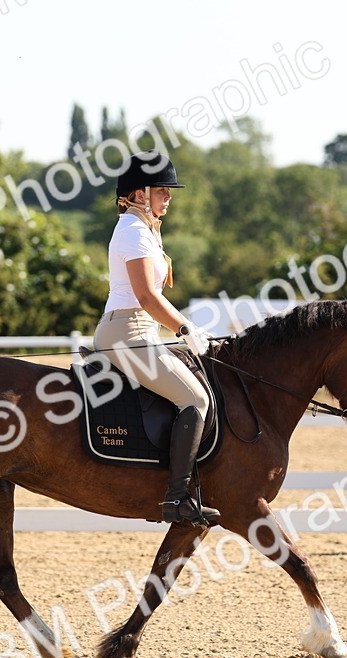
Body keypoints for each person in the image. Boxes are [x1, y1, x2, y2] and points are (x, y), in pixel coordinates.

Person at [93, 150, 220, 525]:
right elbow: (147, 297)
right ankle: (177, 497)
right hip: (126, 332)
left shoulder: (144, 230)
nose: (169, 197)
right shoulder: (133, 231)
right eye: (163, 190)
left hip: (139, 331)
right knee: (195, 399)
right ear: (138, 193)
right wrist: (184, 329)